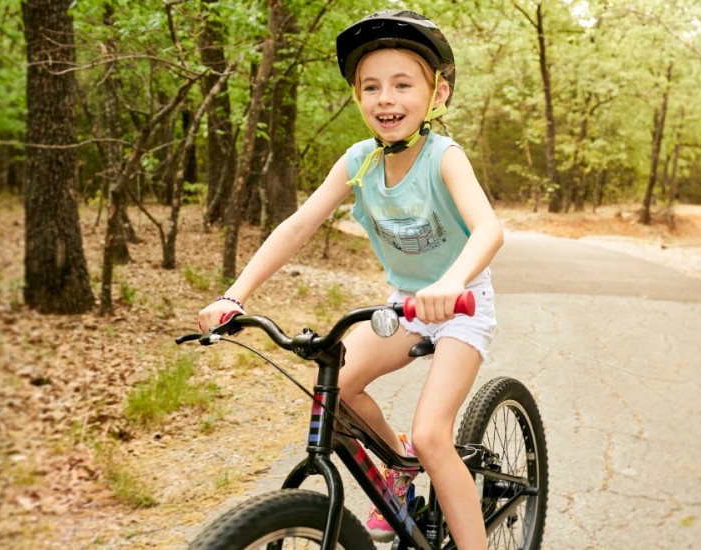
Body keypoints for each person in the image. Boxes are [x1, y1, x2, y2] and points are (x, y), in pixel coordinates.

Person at [198, 10, 501, 549]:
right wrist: (233, 295)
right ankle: (398, 476)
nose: (386, 98)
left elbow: (488, 231)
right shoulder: (359, 162)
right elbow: (297, 227)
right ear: (359, 98)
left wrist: (450, 283)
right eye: (371, 87)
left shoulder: (444, 158)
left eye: (403, 85)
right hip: (403, 304)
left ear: (439, 94)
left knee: (433, 435)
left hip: (461, 304)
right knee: (336, 391)